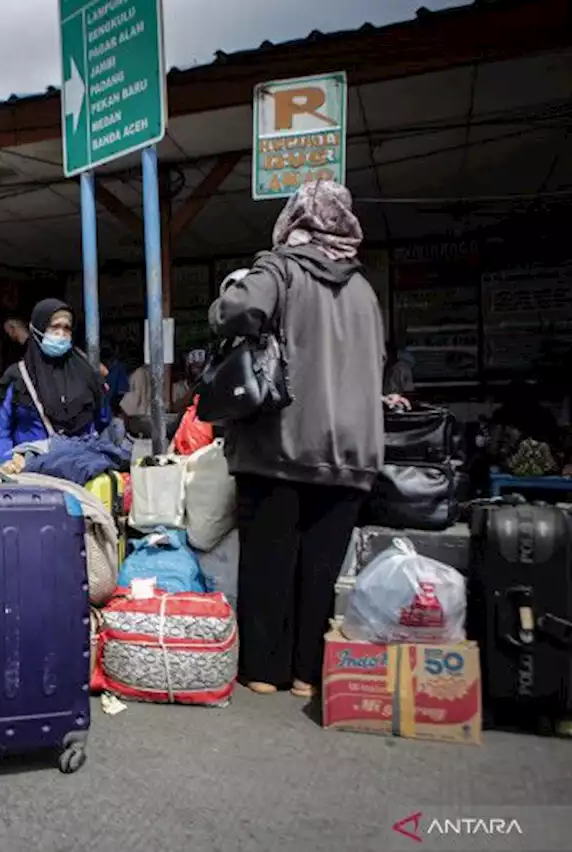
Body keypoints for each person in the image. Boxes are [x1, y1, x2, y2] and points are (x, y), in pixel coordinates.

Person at [207, 180, 385, 699]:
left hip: (281, 446)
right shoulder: (364, 289)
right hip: (351, 452)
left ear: (295, 218)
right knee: (321, 569)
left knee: (269, 560)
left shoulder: (281, 268)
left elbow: (236, 312)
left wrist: (230, 291)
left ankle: (265, 671)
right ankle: (309, 674)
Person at [0, 299, 110, 460]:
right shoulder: (18, 376)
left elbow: (103, 419)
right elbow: (2, 429)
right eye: (54, 326)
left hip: (82, 466)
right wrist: (5, 465)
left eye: (66, 328)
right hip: (32, 472)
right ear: (38, 328)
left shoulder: (87, 373)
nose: (60, 334)